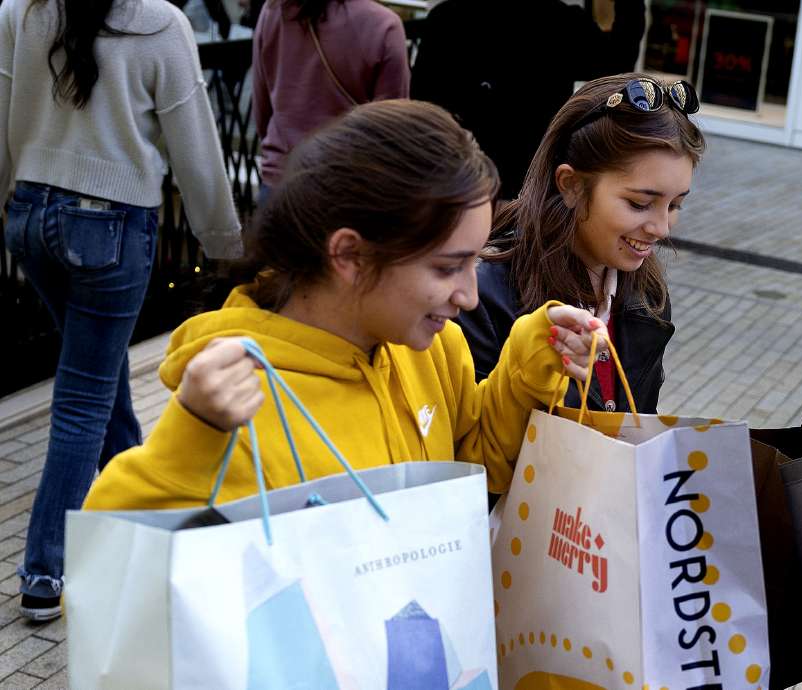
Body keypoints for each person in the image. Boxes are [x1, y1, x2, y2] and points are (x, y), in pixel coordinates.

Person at [84, 101, 606, 512]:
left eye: (475, 262)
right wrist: (192, 439)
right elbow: (110, 577)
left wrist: (527, 362)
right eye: (448, 267)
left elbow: (473, 462)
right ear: (350, 255)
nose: (469, 295)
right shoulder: (237, 401)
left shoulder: (434, 346)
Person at [0, 0, 242, 620]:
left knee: (98, 375)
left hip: (29, 218)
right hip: (109, 226)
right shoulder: (160, 23)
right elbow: (197, 148)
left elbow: (5, 118)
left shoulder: (20, 12)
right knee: (82, 395)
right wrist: (227, 247)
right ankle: (44, 572)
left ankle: (139, 508)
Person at [457, 75, 703, 414]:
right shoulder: (484, 296)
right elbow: (470, 443)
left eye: (675, 205)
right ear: (571, 185)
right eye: (639, 203)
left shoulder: (648, 297)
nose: (661, 228)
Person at [411, 0, 646, 201]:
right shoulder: (559, 20)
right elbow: (618, 61)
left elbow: (422, 107)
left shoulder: (447, 16)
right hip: (528, 182)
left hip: (457, 179)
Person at [252, 0, 409, 196]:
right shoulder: (384, 25)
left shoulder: (275, 9)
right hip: (349, 187)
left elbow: (262, 110)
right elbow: (392, 131)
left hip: (281, 180)